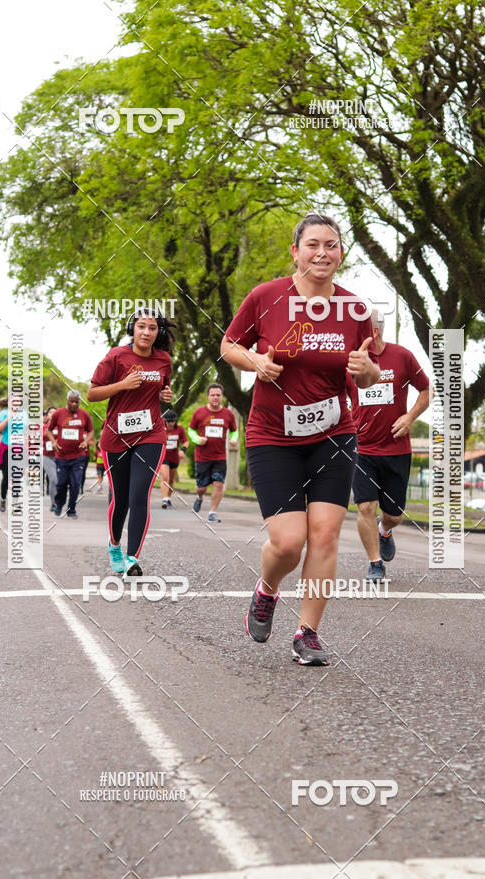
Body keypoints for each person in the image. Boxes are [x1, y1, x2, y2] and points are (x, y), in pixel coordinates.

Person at [221, 212, 379, 666]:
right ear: (295, 251)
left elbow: (368, 374)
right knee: (289, 542)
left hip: (334, 433)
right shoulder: (267, 297)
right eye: (313, 244)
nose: (322, 253)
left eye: (331, 245)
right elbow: (229, 346)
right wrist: (256, 364)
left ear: (341, 254)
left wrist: (367, 371)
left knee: (325, 534)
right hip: (273, 434)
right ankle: (266, 590)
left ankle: (307, 633)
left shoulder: (355, 310)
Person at [86, 310, 174, 575]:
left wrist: (166, 396)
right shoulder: (116, 356)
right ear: (132, 329)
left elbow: (161, 393)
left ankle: (132, 557)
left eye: (152, 328)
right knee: (121, 498)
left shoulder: (163, 360)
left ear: (158, 333)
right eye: (141, 327)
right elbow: (92, 394)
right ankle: (114, 546)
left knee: (139, 495)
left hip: (151, 433)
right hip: (116, 436)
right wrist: (122, 384)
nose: (146, 332)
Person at [346, 309, 431, 581]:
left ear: (374, 332)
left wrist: (409, 417)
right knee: (365, 507)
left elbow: (426, 389)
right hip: (362, 448)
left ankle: (385, 530)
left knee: (393, 515)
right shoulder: (350, 362)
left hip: (396, 449)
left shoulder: (402, 356)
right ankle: (375, 564)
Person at [188, 384, 238, 523]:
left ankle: (212, 512)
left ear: (222, 397)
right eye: (213, 395)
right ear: (208, 397)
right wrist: (198, 439)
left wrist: (233, 440)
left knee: (218, 483)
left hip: (219, 456)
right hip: (202, 456)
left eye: (218, 395)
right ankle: (199, 497)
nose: (215, 397)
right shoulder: (199, 413)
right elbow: (191, 430)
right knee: (201, 487)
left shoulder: (228, 414)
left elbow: (234, 430)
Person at [47, 391, 93, 518]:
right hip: (61, 456)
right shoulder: (58, 414)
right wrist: (53, 442)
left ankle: (71, 509)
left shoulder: (84, 415)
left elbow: (90, 431)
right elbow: (49, 430)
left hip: (78, 456)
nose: (74, 404)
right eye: (71, 401)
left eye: (76, 402)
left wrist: (85, 441)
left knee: (75, 484)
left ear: (79, 402)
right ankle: (59, 503)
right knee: (61, 483)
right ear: (67, 400)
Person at [160, 409, 188, 509]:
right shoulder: (161, 429)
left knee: (171, 480)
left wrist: (183, 450)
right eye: (168, 421)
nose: (170, 423)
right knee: (165, 477)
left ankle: (168, 497)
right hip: (163, 457)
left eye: (172, 421)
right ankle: (164, 499)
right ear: (164, 421)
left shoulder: (179, 429)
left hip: (174, 458)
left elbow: (185, 442)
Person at [0, 397, 10, 511]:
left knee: (18, 477)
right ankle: (3, 499)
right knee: (7, 477)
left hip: (20, 448)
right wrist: (8, 419)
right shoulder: (4, 413)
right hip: (7, 448)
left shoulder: (24, 414)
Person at [42, 407, 58, 512]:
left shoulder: (61, 427)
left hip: (59, 456)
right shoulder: (43, 427)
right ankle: (54, 503)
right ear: (47, 415)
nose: (52, 414)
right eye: (50, 412)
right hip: (47, 456)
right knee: (53, 479)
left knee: (60, 481)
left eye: (54, 412)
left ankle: (58, 500)